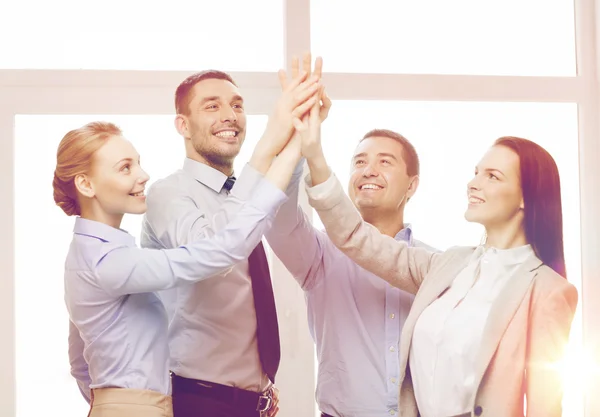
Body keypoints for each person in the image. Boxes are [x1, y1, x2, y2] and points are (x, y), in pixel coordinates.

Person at [294, 101, 578, 417]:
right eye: (476, 172)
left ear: (526, 196)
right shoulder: (448, 264)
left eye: (493, 176)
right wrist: (313, 154)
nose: (474, 183)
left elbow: (545, 407)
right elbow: (355, 238)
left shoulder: (547, 290)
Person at [57, 100, 307, 417]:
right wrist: (284, 152)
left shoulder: (89, 253)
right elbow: (219, 252)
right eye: (125, 168)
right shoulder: (106, 261)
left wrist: (111, 403)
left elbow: (80, 361)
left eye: (137, 163)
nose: (143, 175)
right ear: (85, 184)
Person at [140, 58, 325, 417]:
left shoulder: (247, 191)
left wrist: (300, 130)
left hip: (255, 402)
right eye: (212, 106)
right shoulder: (168, 194)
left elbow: (281, 206)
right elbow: (212, 251)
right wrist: (268, 146)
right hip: (197, 398)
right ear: (183, 125)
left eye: (237, 105)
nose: (230, 115)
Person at [266, 108, 436, 415]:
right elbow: (279, 218)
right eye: (359, 162)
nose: (368, 170)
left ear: (412, 185)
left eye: (384, 161)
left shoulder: (432, 265)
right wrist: (300, 145)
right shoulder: (320, 252)